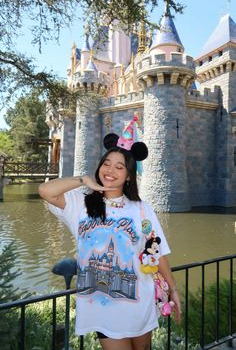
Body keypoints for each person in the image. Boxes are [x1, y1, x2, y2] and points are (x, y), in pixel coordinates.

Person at [38, 117, 181, 350]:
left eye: (119, 166)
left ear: (129, 176)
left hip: (140, 304)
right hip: (102, 310)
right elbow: (45, 191)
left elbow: (157, 253)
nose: (110, 170)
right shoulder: (81, 204)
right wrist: (84, 180)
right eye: (107, 163)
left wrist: (173, 289)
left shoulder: (142, 209)